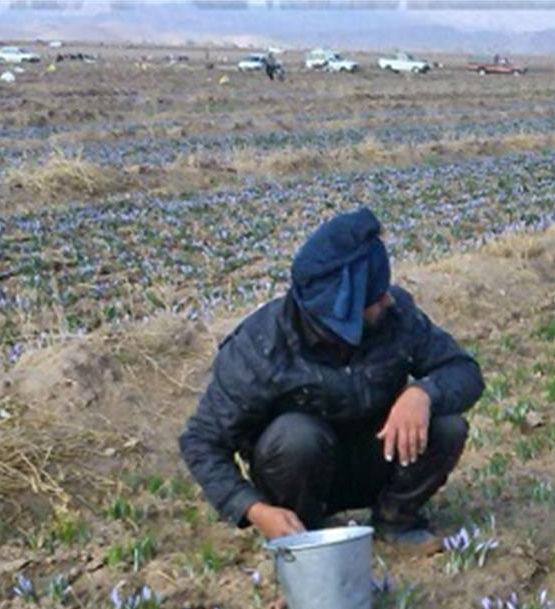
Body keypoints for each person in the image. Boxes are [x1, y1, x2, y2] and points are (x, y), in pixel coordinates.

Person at [179, 207, 482, 547]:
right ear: (343, 311)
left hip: (375, 459)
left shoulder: (396, 316)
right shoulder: (261, 345)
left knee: (447, 425)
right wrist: (255, 509)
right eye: (373, 296)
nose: (387, 299)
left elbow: (464, 370)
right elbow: (202, 442)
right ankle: (303, 537)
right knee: (296, 436)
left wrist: (423, 393)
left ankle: (397, 519)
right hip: (300, 472)